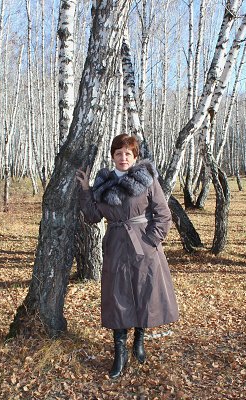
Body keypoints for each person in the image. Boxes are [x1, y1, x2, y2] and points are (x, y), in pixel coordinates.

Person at [76, 134, 179, 379]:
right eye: (119, 153)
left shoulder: (147, 180)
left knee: (143, 293)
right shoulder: (103, 184)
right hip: (115, 247)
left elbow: (163, 214)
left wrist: (151, 240)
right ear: (112, 156)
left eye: (128, 153)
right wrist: (86, 190)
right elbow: (92, 217)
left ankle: (139, 341)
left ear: (135, 157)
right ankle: (119, 352)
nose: (123, 158)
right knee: (117, 297)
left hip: (144, 246)